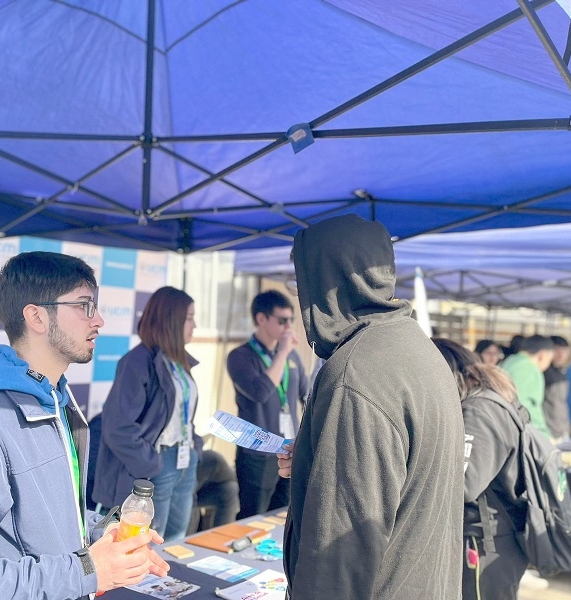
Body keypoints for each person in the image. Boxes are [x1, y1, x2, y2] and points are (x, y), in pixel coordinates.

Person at [0, 251, 169, 600]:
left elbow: (44, 523)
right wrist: (89, 569)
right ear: (36, 317)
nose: (99, 320)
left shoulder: (54, 402)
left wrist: (103, 531)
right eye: (84, 306)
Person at [283, 215, 464, 599]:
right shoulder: (418, 349)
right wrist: (314, 458)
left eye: (302, 279)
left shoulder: (356, 372)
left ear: (326, 282)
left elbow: (338, 553)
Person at [93, 286, 201, 541]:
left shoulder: (179, 361)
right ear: (170, 320)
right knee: (149, 543)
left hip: (184, 460)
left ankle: (171, 583)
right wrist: (152, 463)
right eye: (188, 318)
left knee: (175, 539)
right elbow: (118, 426)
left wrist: (194, 446)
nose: (194, 325)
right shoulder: (137, 362)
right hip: (157, 464)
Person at [433, 338, 528, 600]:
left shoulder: (478, 411)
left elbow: (462, 484)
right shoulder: (490, 400)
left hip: (483, 541)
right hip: (492, 538)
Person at [226, 290, 308, 518]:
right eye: (282, 321)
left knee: (283, 515)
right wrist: (282, 353)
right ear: (262, 319)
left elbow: (306, 395)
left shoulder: (292, 357)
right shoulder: (240, 356)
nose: (288, 327)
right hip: (257, 454)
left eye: (291, 320)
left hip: (288, 450)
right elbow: (260, 391)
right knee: (253, 517)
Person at [500, 334, 554, 438]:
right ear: (542, 355)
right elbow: (527, 406)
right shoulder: (529, 368)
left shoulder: (510, 361)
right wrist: (543, 436)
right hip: (520, 433)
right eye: (549, 359)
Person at [544, 335, 571, 441]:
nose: (561, 354)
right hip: (549, 431)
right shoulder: (543, 372)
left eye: (564, 351)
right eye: (557, 350)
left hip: (563, 430)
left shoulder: (562, 371)